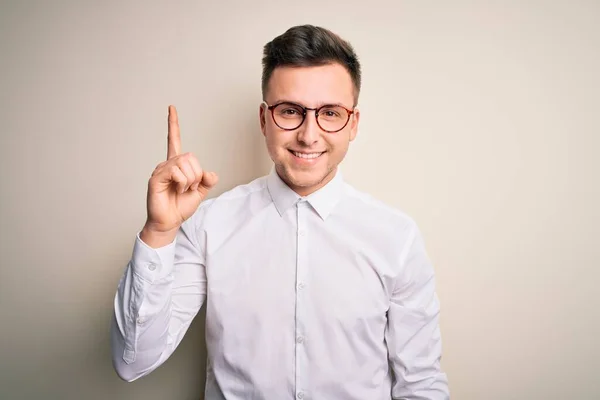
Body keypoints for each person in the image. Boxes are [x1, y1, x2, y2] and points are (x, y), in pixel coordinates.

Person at [110, 24, 450, 399]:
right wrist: (158, 232)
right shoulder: (210, 225)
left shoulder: (396, 237)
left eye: (331, 113)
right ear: (263, 119)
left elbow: (420, 384)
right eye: (290, 111)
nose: (308, 134)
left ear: (352, 124)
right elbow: (132, 363)